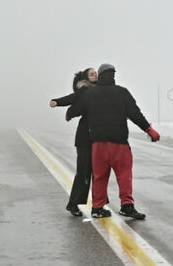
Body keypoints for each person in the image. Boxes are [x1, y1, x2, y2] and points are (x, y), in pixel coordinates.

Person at [66, 63, 159, 220]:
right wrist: (149, 129)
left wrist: (69, 114)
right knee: (124, 176)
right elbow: (136, 114)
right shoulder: (122, 93)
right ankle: (127, 206)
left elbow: (74, 110)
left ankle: (97, 208)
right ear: (113, 75)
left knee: (100, 177)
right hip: (120, 143)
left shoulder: (91, 94)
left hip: (98, 145)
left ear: (100, 76)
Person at [49, 67, 98, 216]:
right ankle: (73, 204)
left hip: (98, 138)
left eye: (96, 73)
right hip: (84, 139)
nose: (95, 74)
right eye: (92, 74)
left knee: (98, 174)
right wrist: (57, 102)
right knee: (83, 173)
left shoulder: (102, 90)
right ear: (85, 78)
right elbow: (70, 99)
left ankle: (99, 205)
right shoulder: (83, 91)